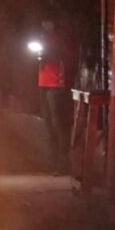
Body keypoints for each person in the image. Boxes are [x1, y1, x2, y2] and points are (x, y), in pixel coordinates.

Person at [36, 12, 76, 175]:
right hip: (44, 83)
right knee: (50, 125)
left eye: (48, 21)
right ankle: (53, 163)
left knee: (59, 124)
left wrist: (51, 53)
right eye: (43, 21)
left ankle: (63, 164)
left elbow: (69, 56)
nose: (45, 24)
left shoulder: (62, 37)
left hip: (58, 85)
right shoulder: (42, 37)